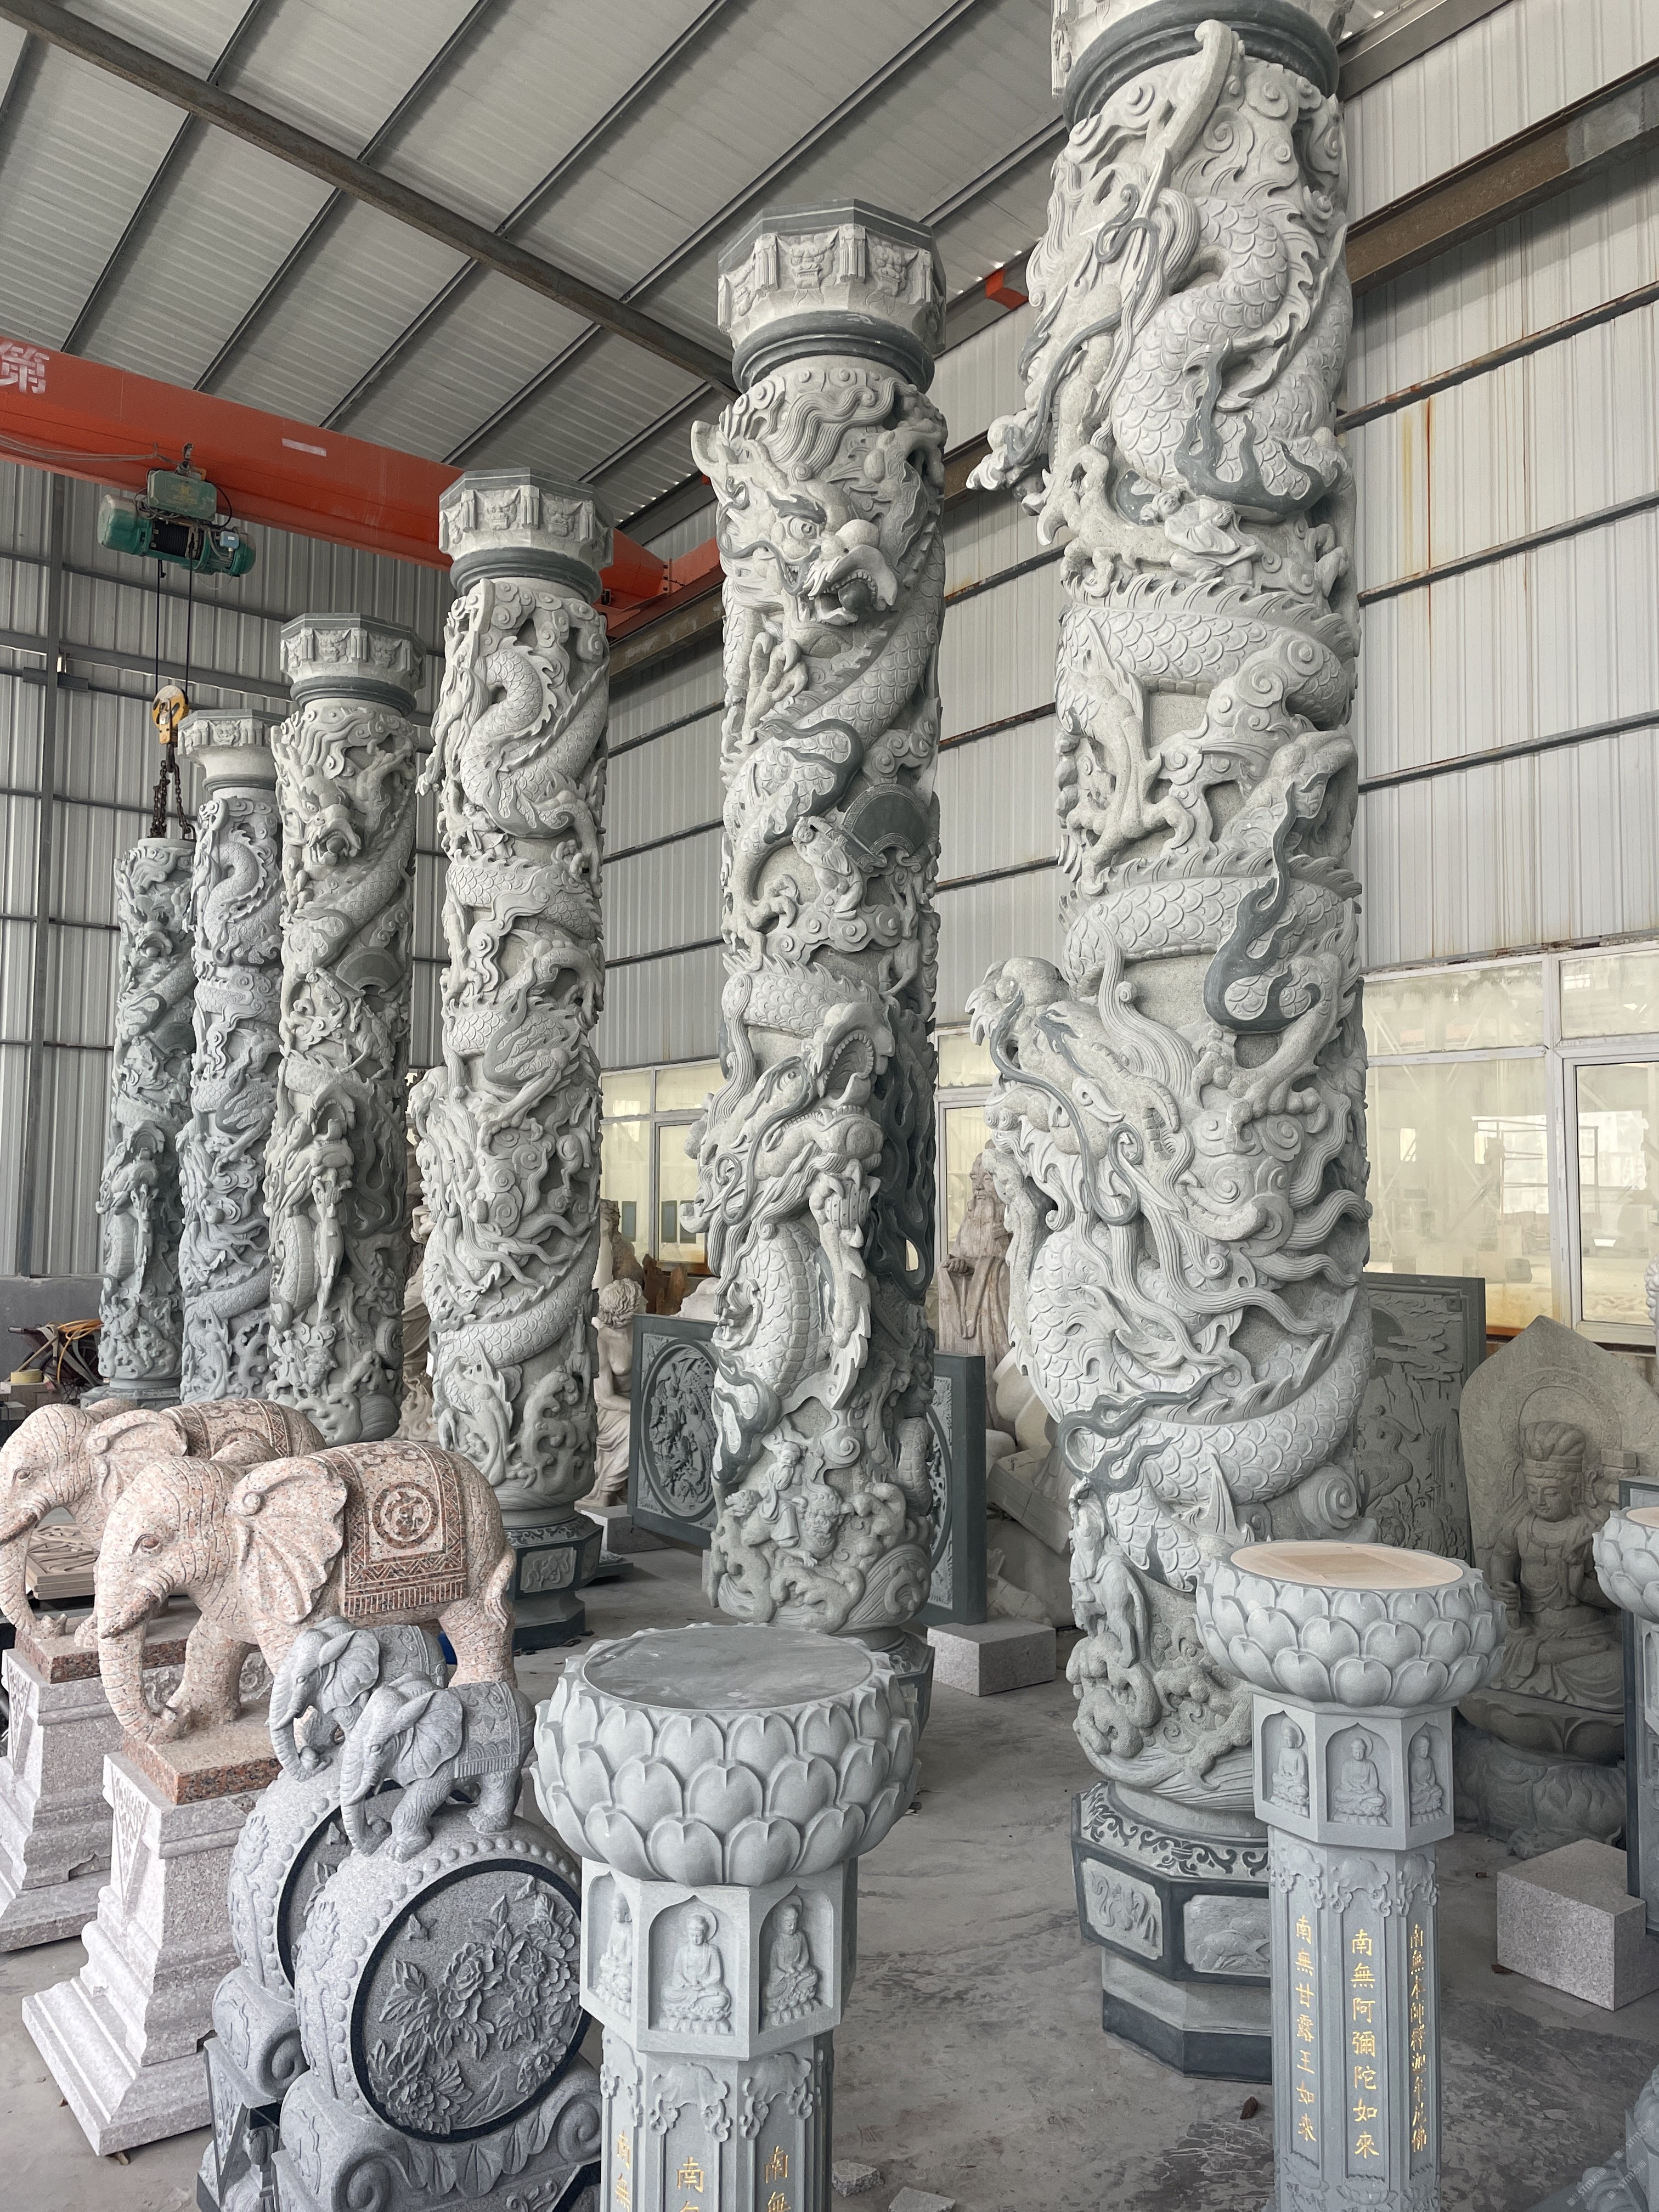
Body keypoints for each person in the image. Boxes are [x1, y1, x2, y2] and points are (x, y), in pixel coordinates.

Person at [661, 1911, 732, 2033]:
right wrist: (687, 1985)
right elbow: (677, 1973)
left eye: (698, 1935)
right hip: (687, 1989)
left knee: (721, 2000)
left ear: (705, 1934)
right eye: (692, 1935)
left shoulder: (712, 1951)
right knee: (668, 1993)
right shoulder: (683, 1951)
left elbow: (716, 1975)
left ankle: (691, 2006)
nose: (695, 1939)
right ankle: (697, 2004)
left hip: (706, 1990)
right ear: (687, 1934)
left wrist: (702, 1985)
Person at [762, 1901, 819, 2024]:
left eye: (794, 1923)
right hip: (785, 1977)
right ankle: (796, 1998)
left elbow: (805, 1956)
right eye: (789, 1924)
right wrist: (786, 1973)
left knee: (813, 1977)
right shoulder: (778, 1942)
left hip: (799, 1973)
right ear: (781, 1923)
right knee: (769, 1992)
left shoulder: (800, 1936)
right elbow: (774, 1966)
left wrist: (799, 1968)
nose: (793, 1927)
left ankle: (792, 1999)